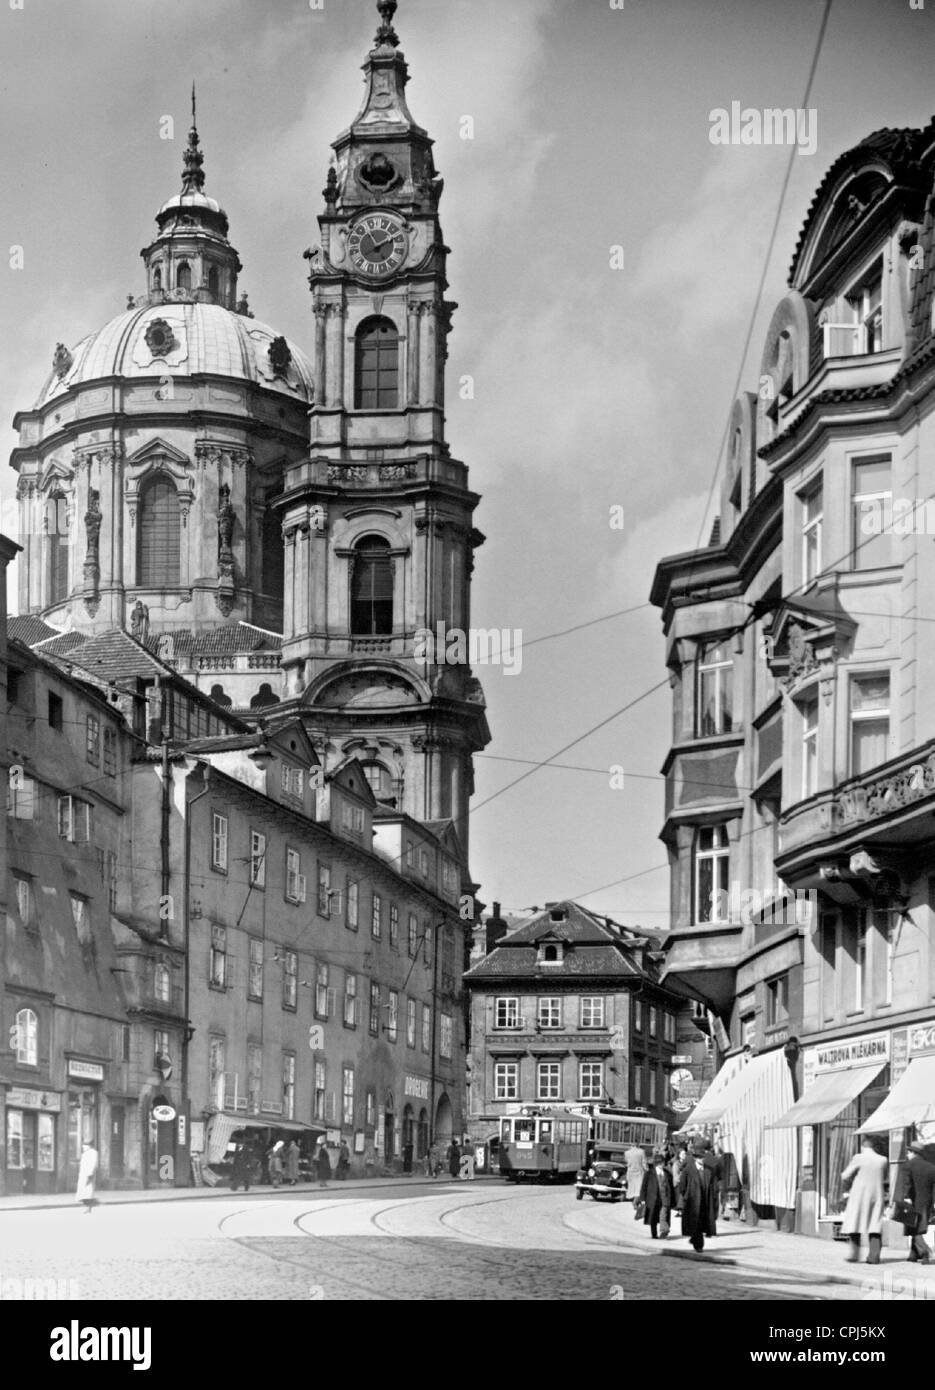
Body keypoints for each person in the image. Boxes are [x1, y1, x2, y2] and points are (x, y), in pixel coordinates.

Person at [840, 1136, 887, 1265]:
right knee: (875, 1226)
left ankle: (854, 1255)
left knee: (855, 1223)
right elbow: (885, 1176)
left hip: (859, 1196)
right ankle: (874, 1256)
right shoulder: (883, 1160)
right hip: (877, 1196)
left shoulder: (858, 1158)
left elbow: (845, 1175)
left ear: (863, 1146)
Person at [894, 1139, 935, 1264]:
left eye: (908, 1152)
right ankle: (913, 1254)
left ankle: (925, 1251)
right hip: (926, 1202)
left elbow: (906, 1184)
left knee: (914, 1228)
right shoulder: (931, 1167)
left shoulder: (908, 1165)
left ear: (913, 1152)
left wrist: (905, 1198)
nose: (907, 1154)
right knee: (919, 1226)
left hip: (912, 1201)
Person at [678, 1138, 716, 1252]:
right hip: (692, 1201)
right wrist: (687, 1196)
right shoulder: (688, 1169)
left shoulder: (709, 1170)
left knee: (701, 1223)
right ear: (695, 1158)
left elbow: (713, 1185)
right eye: (699, 1157)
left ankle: (695, 1240)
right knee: (695, 1222)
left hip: (705, 1201)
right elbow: (682, 1185)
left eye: (702, 1157)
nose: (701, 1160)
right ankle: (699, 1245)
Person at [639, 1149, 675, 1239]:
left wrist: (673, 1200)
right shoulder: (649, 1174)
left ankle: (664, 1231)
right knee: (653, 1217)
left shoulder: (667, 1174)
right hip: (653, 1198)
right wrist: (642, 1199)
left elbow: (671, 1187)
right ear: (657, 1164)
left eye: (663, 1163)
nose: (662, 1165)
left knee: (664, 1215)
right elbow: (644, 1187)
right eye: (661, 1163)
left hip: (664, 1199)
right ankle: (654, 1234)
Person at [702, 1139, 723, 1236]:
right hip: (714, 1186)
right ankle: (711, 1229)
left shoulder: (701, 1159)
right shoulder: (716, 1159)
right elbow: (720, 1175)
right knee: (712, 1208)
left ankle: (702, 1228)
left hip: (703, 1185)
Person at [76, 1141, 98, 1214]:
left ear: (89, 1146)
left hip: (88, 1175)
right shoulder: (85, 1153)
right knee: (84, 1192)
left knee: (88, 1192)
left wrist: (90, 1173)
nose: (83, 1147)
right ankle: (88, 1207)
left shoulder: (93, 1153)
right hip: (83, 1175)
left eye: (85, 1145)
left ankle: (88, 1208)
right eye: (83, 1145)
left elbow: (93, 1164)